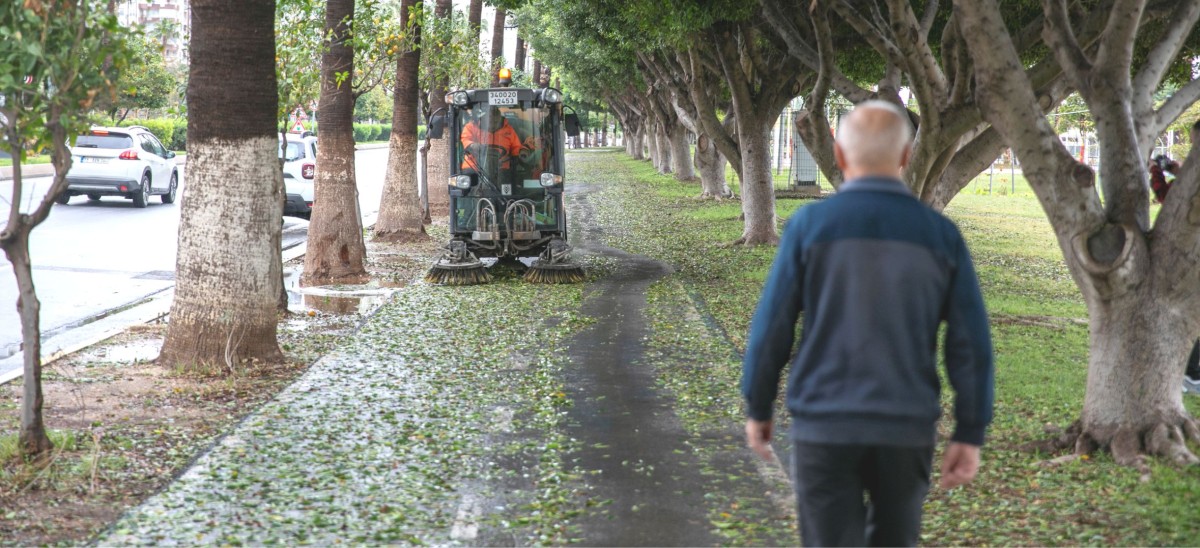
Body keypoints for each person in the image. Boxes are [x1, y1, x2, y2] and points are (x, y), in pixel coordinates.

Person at [741, 100, 995, 547]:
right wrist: (970, 431)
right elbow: (969, 343)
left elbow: (772, 326)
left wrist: (759, 406)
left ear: (838, 155)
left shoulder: (808, 228)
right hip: (905, 427)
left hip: (824, 424)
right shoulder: (940, 236)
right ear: (906, 156)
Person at [460, 107, 524, 177]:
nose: (493, 124)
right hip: (474, 167)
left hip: (501, 167)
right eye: (490, 121)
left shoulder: (509, 130)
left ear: (500, 119)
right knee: (467, 181)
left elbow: (516, 148)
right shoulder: (471, 127)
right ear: (484, 119)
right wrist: (474, 146)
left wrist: (515, 157)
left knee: (512, 179)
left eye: (496, 122)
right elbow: (465, 140)